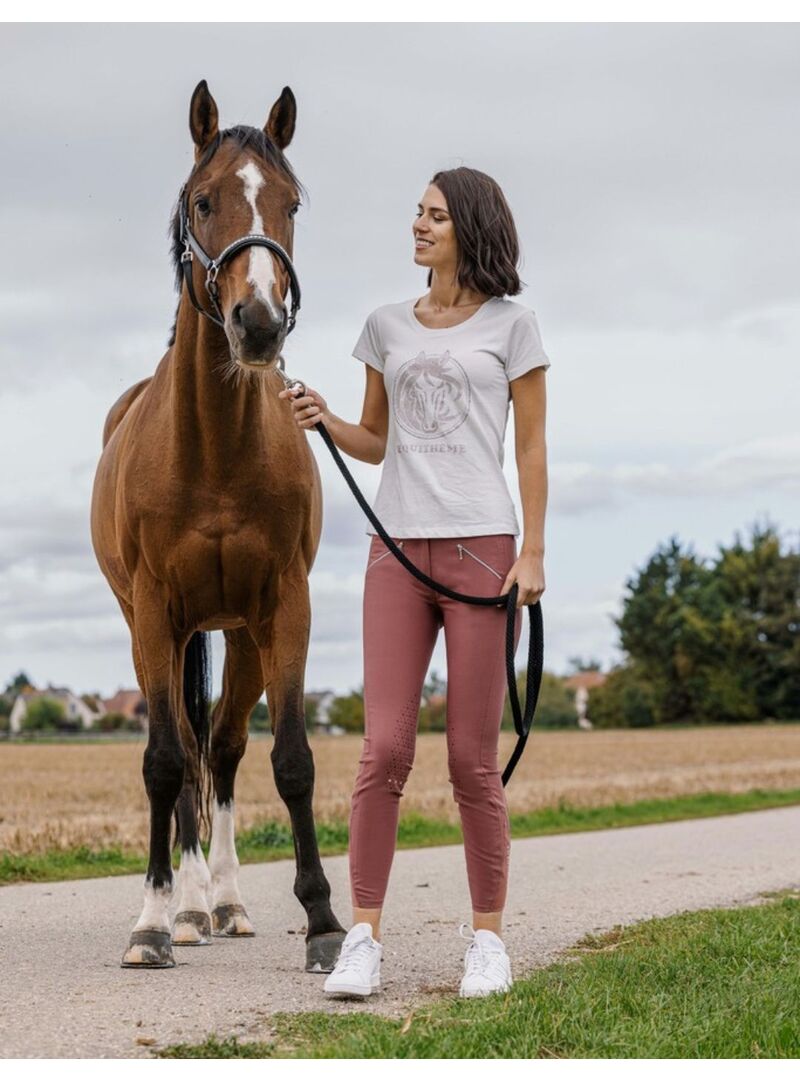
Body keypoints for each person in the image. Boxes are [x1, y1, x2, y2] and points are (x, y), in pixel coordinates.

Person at [278, 166, 549, 1000]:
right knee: (383, 750)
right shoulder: (385, 325)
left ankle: (488, 942)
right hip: (395, 550)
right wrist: (327, 417)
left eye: (434, 216)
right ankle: (362, 936)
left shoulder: (514, 327)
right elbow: (377, 440)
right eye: (417, 214)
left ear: (470, 226)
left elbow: (531, 449)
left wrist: (532, 551)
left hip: (480, 550)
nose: (418, 227)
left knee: (471, 760)